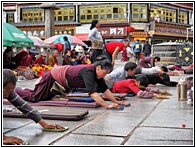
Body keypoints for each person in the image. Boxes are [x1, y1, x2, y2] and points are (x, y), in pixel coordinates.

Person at [15, 55, 129, 109]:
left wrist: (116, 102)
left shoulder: (97, 75)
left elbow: (105, 90)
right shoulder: (88, 72)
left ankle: (26, 90)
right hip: (52, 76)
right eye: (105, 72)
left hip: (59, 80)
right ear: (98, 68)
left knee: (44, 96)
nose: (105, 75)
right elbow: (93, 93)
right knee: (36, 98)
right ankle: (16, 91)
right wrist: (107, 105)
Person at [3, 69, 64, 145]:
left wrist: (44, 124)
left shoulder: (8, 90)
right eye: (7, 91)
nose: (8, 96)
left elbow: (22, 105)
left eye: (10, 91)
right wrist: (3, 138)